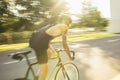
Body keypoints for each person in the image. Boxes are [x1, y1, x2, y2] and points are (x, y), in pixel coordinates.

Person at [29, 14, 74, 80]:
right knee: (45, 70)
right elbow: (65, 44)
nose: (69, 26)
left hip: (35, 39)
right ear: (67, 21)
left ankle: (39, 76)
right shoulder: (64, 26)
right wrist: (70, 56)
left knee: (50, 53)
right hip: (39, 43)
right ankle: (41, 75)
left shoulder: (53, 25)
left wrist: (53, 51)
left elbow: (46, 38)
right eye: (70, 24)